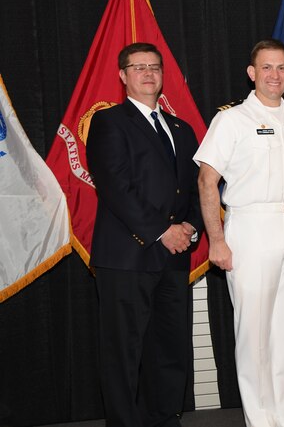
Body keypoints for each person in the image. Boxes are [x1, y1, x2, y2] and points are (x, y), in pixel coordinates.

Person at [194, 39, 284, 427]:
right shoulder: (232, 120)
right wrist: (217, 240)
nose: (275, 75)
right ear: (252, 74)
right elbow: (206, 181)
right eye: (266, 68)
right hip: (249, 226)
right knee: (254, 333)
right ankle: (260, 420)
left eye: (282, 68)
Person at [86, 42, 203, 427]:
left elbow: (192, 187)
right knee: (124, 351)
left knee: (169, 346)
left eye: (154, 67)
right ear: (122, 76)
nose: (148, 73)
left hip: (173, 257)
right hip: (127, 257)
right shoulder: (109, 122)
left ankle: (164, 418)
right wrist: (160, 231)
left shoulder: (181, 129)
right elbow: (116, 187)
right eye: (138, 68)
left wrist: (191, 228)